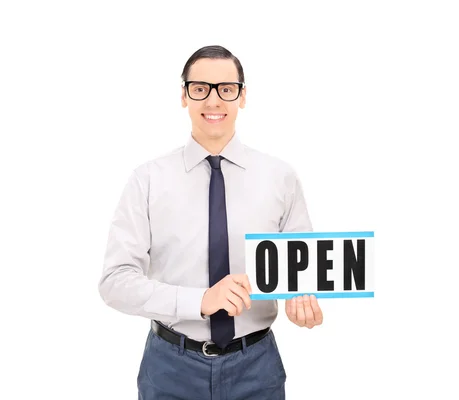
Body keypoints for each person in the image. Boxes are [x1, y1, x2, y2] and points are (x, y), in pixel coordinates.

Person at [98, 45, 324, 400]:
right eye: (200, 88)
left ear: (243, 96)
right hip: (170, 369)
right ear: (184, 96)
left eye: (226, 89)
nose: (214, 101)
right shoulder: (147, 180)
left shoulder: (280, 178)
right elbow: (115, 282)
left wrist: (303, 298)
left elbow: (302, 272)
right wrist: (200, 300)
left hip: (257, 368)